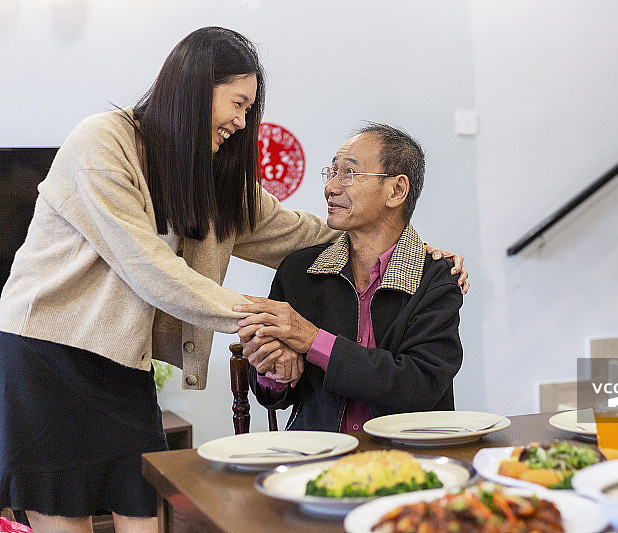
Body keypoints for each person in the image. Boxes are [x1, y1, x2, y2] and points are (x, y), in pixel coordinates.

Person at [0, 28, 467, 533]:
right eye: (238, 103)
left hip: (122, 357)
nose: (242, 122)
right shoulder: (103, 141)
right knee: (62, 511)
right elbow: (149, 269)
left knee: (142, 510)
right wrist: (274, 324)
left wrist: (409, 248)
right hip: (45, 351)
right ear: (196, 88)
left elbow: (299, 232)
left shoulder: (212, 179)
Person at [236, 123, 463, 432]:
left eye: (349, 173)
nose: (330, 187)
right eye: (331, 173)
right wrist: (272, 370)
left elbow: (418, 388)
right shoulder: (299, 270)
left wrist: (313, 339)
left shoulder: (436, 278)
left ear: (396, 190)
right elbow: (272, 394)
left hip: (404, 460)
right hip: (317, 457)